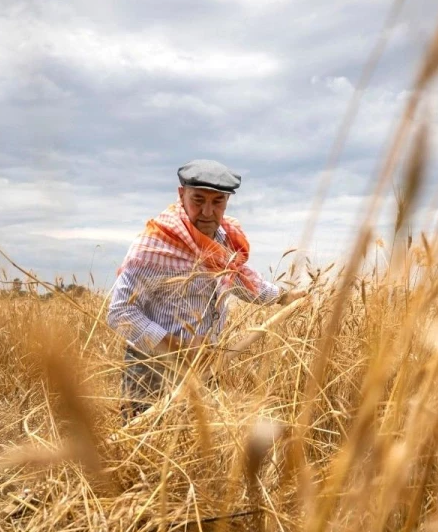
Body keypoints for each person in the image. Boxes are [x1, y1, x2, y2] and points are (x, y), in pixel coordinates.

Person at [107, 160, 305, 419]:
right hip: (152, 370)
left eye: (218, 202)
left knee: (196, 454)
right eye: (198, 200)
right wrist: (177, 348)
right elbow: (120, 312)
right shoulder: (155, 243)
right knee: (142, 451)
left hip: (206, 367)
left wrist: (284, 297)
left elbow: (241, 281)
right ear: (181, 195)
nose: (208, 212)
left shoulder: (222, 238)